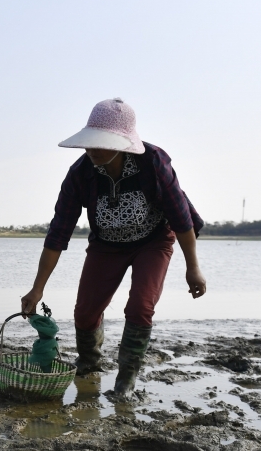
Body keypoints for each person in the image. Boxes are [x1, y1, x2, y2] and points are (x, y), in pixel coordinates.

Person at [20, 98, 207, 395]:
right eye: (90, 142)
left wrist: (193, 269)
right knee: (84, 313)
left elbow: (181, 218)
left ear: (123, 144)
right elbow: (58, 234)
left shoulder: (154, 162)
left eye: (102, 143)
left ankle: (126, 380)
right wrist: (37, 288)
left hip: (153, 241)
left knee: (140, 306)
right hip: (106, 245)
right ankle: (90, 365)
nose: (93, 150)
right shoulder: (80, 174)